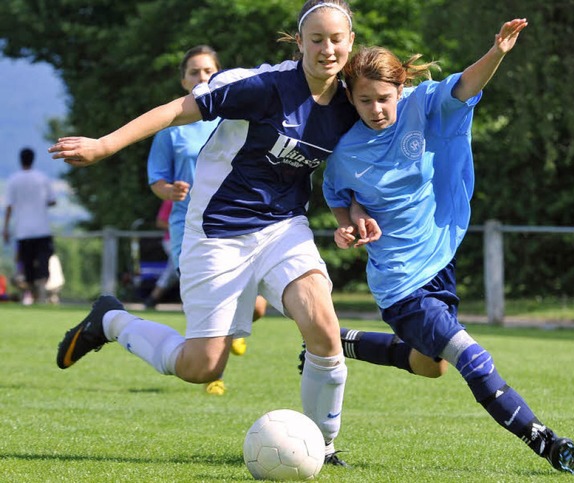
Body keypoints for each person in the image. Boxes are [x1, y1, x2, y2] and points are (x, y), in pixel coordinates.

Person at [50, 0, 357, 466]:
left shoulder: (353, 100)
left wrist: (355, 212)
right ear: (299, 43)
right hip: (218, 230)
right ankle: (111, 320)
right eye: (316, 39)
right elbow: (177, 109)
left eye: (337, 39)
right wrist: (104, 144)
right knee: (202, 367)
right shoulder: (262, 86)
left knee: (323, 327)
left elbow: (377, 152)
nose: (327, 49)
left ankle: (325, 446)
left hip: (283, 228)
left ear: (350, 42)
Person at [321, 20, 574, 474]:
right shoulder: (344, 152)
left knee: (430, 366)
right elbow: (339, 200)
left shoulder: (423, 106)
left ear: (400, 88)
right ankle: (543, 440)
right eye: (365, 100)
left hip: (440, 266)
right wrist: (348, 226)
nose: (377, 109)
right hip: (400, 285)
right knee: (471, 357)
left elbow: (463, 85)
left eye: (384, 98)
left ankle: (338, 342)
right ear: (350, 98)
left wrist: (496, 51)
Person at [145, 45, 268, 395]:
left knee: (258, 306)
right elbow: (156, 180)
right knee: (212, 300)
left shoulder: (231, 119)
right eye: (194, 72)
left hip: (234, 222)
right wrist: (168, 190)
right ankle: (214, 373)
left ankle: (235, 329)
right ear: (184, 80)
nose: (202, 77)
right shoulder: (171, 129)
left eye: (208, 71)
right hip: (189, 227)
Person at [3, 147, 57, 304]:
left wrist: (5, 229)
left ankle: (31, 294)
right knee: (43, 262)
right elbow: (52, 200)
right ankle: (41, 293)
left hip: (23, 231)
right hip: (42, 229)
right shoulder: (42, 178)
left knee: (27, 266)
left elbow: (9, 207)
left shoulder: (13, 180)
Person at [143, 199, 180, 309]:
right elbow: (160, 222)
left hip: (186, 241)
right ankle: (190, 300)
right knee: (181, 269)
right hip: (172, 241)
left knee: (173, 270)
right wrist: (179, 227)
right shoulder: (172, 198)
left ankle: (152, 299)